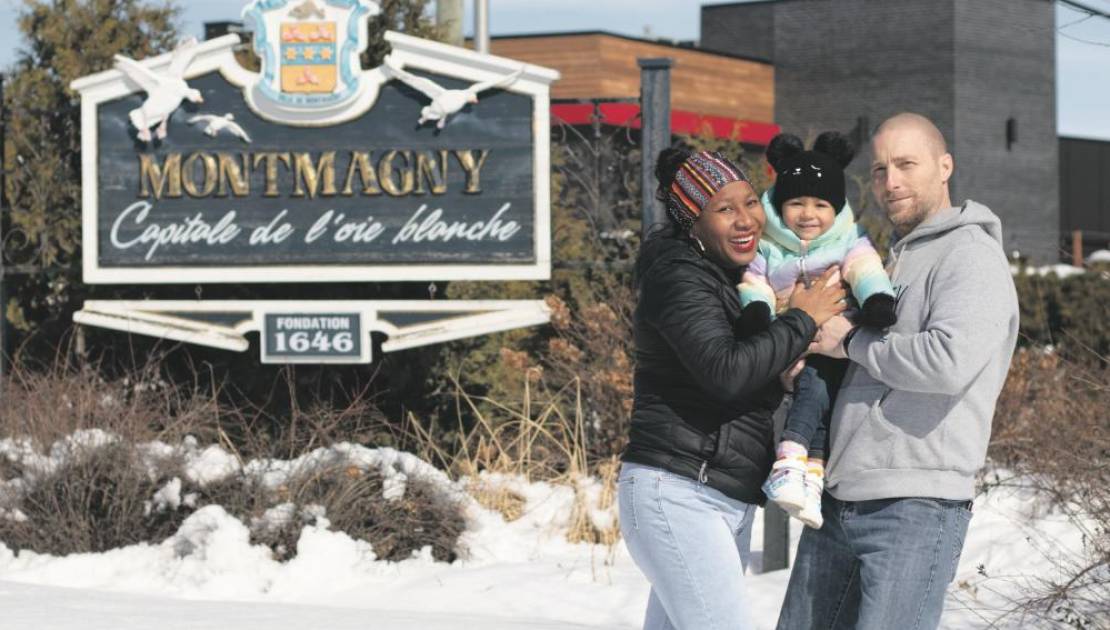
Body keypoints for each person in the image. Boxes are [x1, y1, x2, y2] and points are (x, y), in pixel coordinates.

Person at [775, 112, 1020, 630]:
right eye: (881, 169)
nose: (892, 182)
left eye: (907, 165)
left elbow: (948, 362)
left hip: (916, 507)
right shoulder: (886, 261)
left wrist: (852, 342)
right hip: (841, 499)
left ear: (945, 165)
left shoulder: (970, 255)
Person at [619, 148, 847, 630]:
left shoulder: (734, 280)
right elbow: (725, 372)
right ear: (693, 225)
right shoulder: (679, 278)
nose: (746, 220)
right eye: (725, 210)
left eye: (749, 202)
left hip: (720, 492)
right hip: (679, 490)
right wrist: (804, 318)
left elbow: (737, 371)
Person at [738, 131, 897, 530]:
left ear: (836, 207)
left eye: (820, 204)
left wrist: (876, 297)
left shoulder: (847, 240)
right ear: (779, 204)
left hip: (832, 341)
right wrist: (757, 308)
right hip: (789, 338)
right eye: (796, 203)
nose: (809, 214)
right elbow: (753, 278)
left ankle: (811, 474)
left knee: (824, 392)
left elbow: (865, 267)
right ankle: (790, 460)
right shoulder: (769, 245)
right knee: (813, 385)